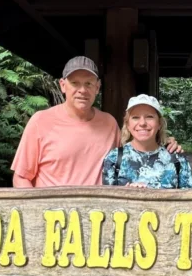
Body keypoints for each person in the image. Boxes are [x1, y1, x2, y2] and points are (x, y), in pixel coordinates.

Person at [11, 56, 183, 189]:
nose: (82, 90)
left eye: (88, 83)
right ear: (63, 85)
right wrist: (36, 211)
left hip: (98, 219)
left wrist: (164, 144)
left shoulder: (108, 123)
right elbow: (21, 177)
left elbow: (134, 153)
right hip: (53, 219)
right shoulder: (40, 121)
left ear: (97, 87)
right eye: (75, 83)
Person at [102, 94, 192, 190]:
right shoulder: (114, 158)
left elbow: (190, 204)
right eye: (135, 117)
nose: (142, 123)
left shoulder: (176, 158)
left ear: (159, 124)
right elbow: (106, 204)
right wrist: (129, 195)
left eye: (149, 117)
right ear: (128, 124)